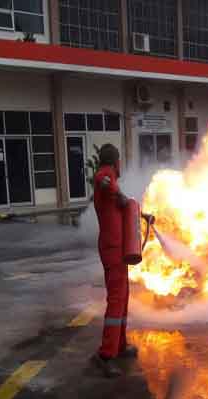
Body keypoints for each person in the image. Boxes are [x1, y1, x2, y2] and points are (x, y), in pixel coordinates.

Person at [90, 143, 138, 378]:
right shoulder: (105, 176)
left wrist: (141, 214)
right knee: (116, 301)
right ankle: (105, 355)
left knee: (124, 299)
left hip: (120, 251)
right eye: (118, 161)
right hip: (111, 250)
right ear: (114, 161)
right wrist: (116, 191)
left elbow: (122, 209)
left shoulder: (112, 186)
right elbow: (101, 179)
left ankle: (120, 345)